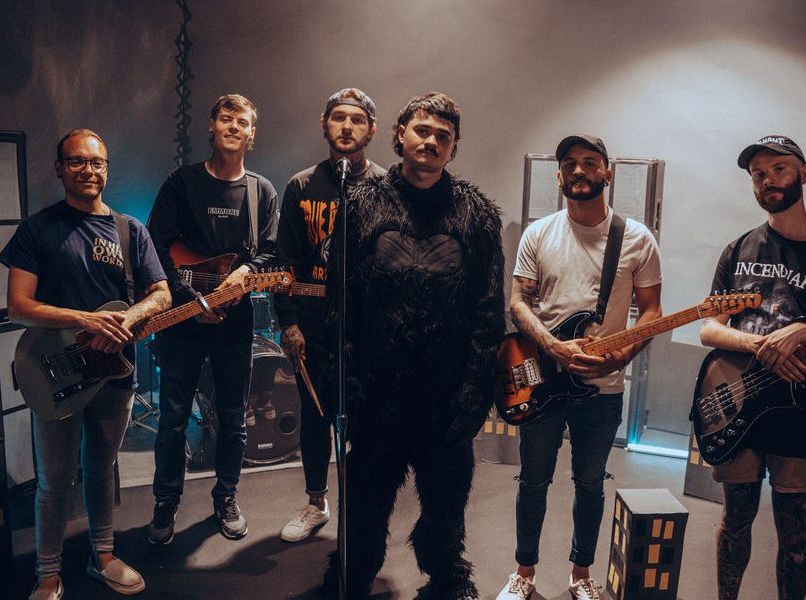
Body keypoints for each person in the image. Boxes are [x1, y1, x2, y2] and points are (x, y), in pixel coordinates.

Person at [320, 92, 505, 600]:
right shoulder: (360, 204)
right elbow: (340, 304)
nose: (431, 142)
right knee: (366, 497)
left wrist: (476, 391)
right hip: (376, 392)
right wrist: (343, 379)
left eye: (443, 136)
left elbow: (489, 311)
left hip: (446, 395)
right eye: (422, 130)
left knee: (447, 498)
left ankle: (447, 575)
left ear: (454, 148)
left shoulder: (477, 215)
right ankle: (352, 576)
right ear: (400, 134)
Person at [698, 135, 806, 600]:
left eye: (778, 169)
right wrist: (761, 345)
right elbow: (709, 329)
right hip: (739, 404)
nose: (767, 180)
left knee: (794, 532)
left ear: (803, 174)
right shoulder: (738, 249)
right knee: (734, 521)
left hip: (804, 412)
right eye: (758, 174)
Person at [0, 129, 170, 600]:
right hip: (55, 370)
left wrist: (128, 318)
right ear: (59, 168)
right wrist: (84, 319)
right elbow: (18, 306)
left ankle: (104, 555)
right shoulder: (37, 229)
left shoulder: (130, 230)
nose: (88, 170)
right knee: (54, 481)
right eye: (77, 161)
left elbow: (161, 294)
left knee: (102, 469)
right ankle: (48, 573)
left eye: (97, 163)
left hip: (114, 372)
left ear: (106, 169)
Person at [498, 135, 663, 600]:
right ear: (558, 175)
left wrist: (623, 355)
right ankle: (524, 572)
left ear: (607, 173)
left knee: (590, 484)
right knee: (532, 481)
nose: (579, 170)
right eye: (569, 163)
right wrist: (553, 347)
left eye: (590, 162)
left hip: (602, 387)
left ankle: (581, 573)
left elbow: (652, 310)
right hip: (540, 380)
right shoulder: (538, 233)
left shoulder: (636, 238)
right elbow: (518, 302)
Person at [144, 94, 279, 544]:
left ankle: (226, 497)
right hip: (183, 320)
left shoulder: (261, 191)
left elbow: (272, 250)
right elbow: (155, 245)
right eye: (226, 118)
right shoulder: (181, 183)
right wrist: (191, 300)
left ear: (252, 134)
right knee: (173, 418)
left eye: (243, 121)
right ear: (211, 125)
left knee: (234, 418)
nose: (234, 126)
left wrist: (249, 270)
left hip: (235, 323)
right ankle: (166, 502)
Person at [274, 87, 387, 543]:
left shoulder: (387, 186)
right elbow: (284, 260)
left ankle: (361, 506)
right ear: (324, 125)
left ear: (372, 130)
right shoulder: (302, 185)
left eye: (357, 120)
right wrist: (288, 323)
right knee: (315, 416)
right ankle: (316, 502)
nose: (346, 126)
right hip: (313, 326)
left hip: (366, 328)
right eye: (338, 117)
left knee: (366, 418)